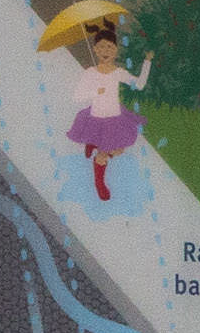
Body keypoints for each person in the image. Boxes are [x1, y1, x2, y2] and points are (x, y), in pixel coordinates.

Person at [63, 18, 151, 201]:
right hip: (96, 118)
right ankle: (99, 182)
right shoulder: (90, 73)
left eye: (110, 47)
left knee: (118, 150)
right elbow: (76, 96)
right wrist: (96, 91)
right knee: (103, 155)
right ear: (94, 49)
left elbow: (140, 85)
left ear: (116, 50)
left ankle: (94, 144)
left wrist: (147, 63)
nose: (105, 52)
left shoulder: (118, 72)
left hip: (115, 119)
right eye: (101, 47)